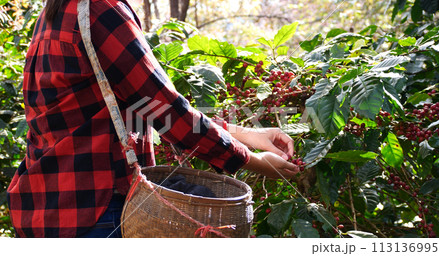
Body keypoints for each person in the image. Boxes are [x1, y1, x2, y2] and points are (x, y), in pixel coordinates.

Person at [7, 0, 300, 238]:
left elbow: (134, 104)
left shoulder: (55, 12)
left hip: (46, 206)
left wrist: (245, 134)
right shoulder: (100, 10)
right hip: (96, 213)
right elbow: (165, 109)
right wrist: (252, 160)